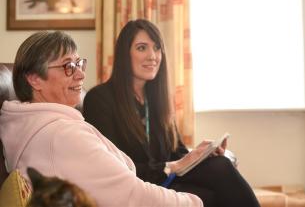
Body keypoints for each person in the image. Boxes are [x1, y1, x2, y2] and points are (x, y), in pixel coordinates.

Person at [0, 31, 202, 207]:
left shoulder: (27, 126)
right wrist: (197, 203)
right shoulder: (62, 135)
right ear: (34, 79)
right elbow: (132, 197)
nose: (80, 74)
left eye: (79, 64)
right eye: (68, 66)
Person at [83, 19, 260, 207]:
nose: (153, 56)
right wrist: (173, 166)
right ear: (124, 55)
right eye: (142, 48)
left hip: (166, 181)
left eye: (157, 48)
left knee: (219, 166)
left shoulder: (156, 98)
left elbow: (178, 152)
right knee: (215, 184)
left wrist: (201, 154)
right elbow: (114, 168)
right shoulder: (100, 99)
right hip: (137, 187)